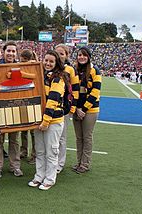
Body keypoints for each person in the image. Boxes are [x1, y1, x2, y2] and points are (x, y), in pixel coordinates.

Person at [28, 50, 69, 190]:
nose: (48, 63)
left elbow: (53, 100)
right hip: (38, 119)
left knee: (51, 151)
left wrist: (45, 121)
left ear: (57, 63)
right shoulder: (41, 75)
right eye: (46, 60)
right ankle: (39, 176)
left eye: (51, 61)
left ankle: (50, 178)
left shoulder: (58, 79)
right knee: (39, 151)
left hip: (53, 121)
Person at [0, 41, 23, 178]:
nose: (10, 53)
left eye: (13, 51)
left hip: (15, 108)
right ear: (3, 52)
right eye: (8, 51)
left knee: (14, 140)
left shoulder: (20, 68)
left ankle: (15, 166)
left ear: (16, 53)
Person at [72, 47, 101, 173]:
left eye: (84, 55)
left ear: (88, 57)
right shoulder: (75, 70)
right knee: (79, 138)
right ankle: (79, 162)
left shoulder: (95, 71)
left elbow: (95, 92)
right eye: (79, 55)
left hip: (90, 110)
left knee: (87, 137)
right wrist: (77, 108)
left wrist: (83, 109)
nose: (81, 57)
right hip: (77, 109)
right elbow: (73, 90)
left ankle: (85, 164)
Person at [54, 44, 80, 173]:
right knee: (51, 137)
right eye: (57, 53)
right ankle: (51, 160)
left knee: (62, 137)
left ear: (67, 55)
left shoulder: (70, 69)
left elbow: (75, 90)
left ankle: (60, 163)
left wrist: (72, 107)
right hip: (50, 107)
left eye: (62, 53)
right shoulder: (50, 66)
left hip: (64, 107)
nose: (59, 56)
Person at [19, 49, 37, 164]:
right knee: (23, 130)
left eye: (24, 60)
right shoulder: (19, 67)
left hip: (33, 101)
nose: (22, 62)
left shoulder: (35, 67)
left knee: (33, 132)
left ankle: (35, 154)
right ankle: (23, 151)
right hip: (22, 101)